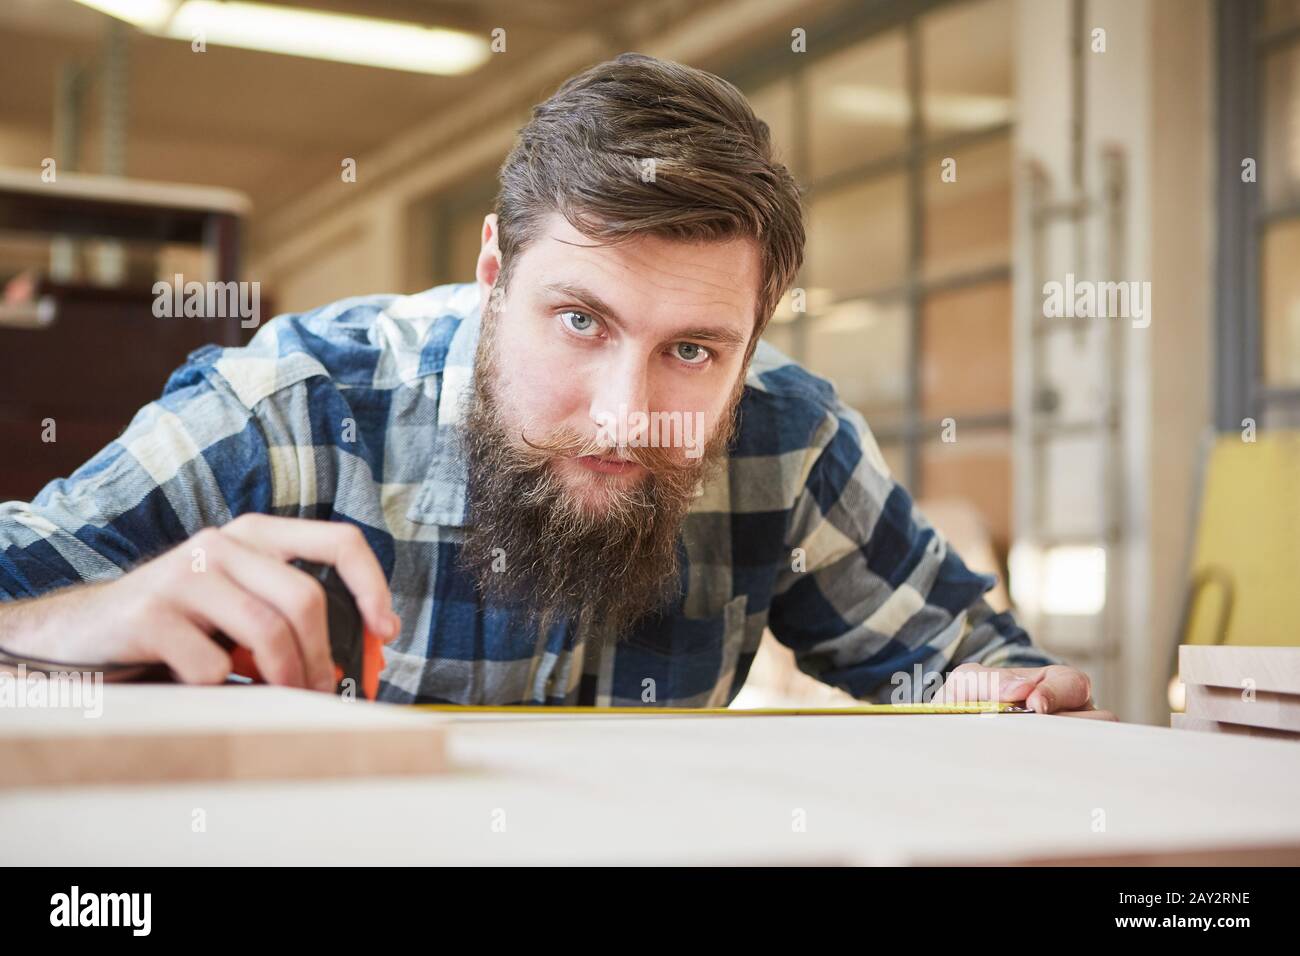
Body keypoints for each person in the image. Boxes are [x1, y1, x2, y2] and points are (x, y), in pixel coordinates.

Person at [0, 53, 1110, 718]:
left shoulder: (786, 439)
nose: (626, 408)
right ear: (494, 273)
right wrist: (90, 614)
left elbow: (969, 668)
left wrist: (1017, 699)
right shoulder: (299, 404)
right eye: (580, 320)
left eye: (692, 348)